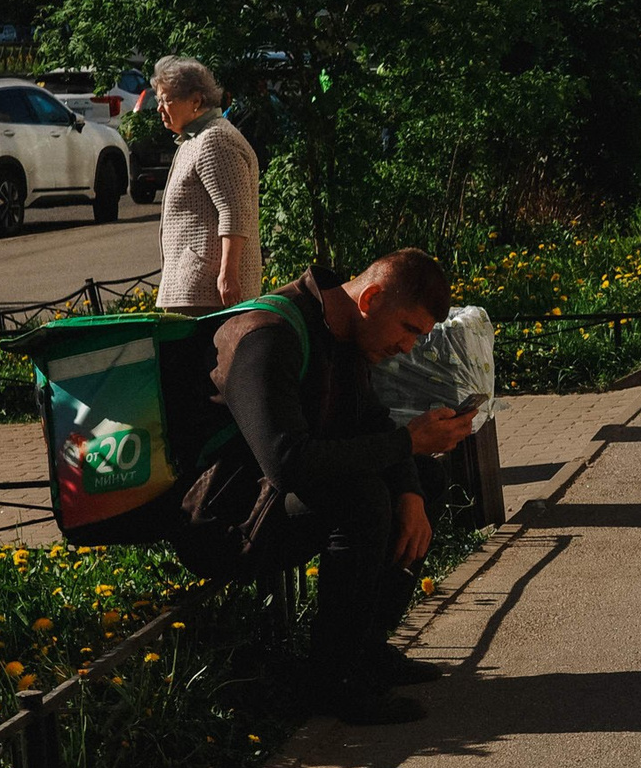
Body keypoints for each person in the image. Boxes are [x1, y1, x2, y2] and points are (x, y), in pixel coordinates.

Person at [181, 248, 478, 724]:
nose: (408, 348)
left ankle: (367, 649)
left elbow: (372, 422)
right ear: (371, 299)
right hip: (226, 519)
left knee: (424, 479)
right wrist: (407, 442)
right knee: (363, 499)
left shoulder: (342, 333)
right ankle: (331, 680)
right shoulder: (267, 335)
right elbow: (286, 463)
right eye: (408, 329)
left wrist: (411, 490)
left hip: (273, 502)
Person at [153, 56, 262, 312]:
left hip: (210, 293)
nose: (159, 108)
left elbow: (235, 212)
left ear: (196, 101)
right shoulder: (195, 139)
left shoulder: (215, 140)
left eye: (166, 100)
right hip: (196, 288)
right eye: (158, 100)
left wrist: (228, 274)